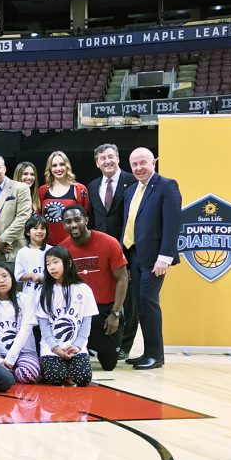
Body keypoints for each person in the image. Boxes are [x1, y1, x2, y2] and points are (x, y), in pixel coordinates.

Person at [121, 147, 181, 370]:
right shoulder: (131, 191)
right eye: (134, 164)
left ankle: (156, 355)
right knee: (139, 305)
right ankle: (147, 352)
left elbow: (173, 224)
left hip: (155, 258)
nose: (138, 168)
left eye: (142, 163)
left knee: (148, 303)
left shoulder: (167, 185)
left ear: (153, 162)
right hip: (134, 255)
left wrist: (164, 258)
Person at [59, 204, 128, 372]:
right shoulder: (62, 249)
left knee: (109, 365)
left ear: (86, 220)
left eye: (77, 219)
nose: (73, 225)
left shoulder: (109, 243)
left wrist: (115, 313)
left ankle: (98, 346)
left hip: (105, 310)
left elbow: (122, 279)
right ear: (63, 226)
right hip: (78, 312)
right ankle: (86, 346)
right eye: (68, 222)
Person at [87, 143, 137, 358]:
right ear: (97, 163)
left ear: (118, 157)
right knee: (103, 297)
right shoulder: (92, 186)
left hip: (128, 249)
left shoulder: (133, 182)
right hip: (101, 253)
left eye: (110, 157)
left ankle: (124, 346)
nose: (107, 161)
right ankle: (101, 343)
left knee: (129, 299)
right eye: (102, 158)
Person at [35, 246, 98, 386]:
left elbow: (86, 323)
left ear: (68, 263)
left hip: (75, 347)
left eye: (55, 262)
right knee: (56, 377)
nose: (51, 267)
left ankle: (70, 366)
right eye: (48, 264)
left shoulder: (84, 289)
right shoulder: (44, 291)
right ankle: (50, 366)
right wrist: (55, 348)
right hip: (51, 348)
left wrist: (78, 346)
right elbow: (43, 325)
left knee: (83, 378)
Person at [0, 263, 40, 383]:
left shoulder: (25, 299)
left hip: (23, 352)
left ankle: (6, 373)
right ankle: (3, 373)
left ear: (12, 278)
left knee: (29, 374)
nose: (1, 280)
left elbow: (25, 331)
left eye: (5, 276)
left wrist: (10, 359)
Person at [38, 151, 90, 245]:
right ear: (49, 168)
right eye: (54, 165)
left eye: (62, 164)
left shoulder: (79, 189)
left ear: (67, 166)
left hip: (73, 244)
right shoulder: (42, 190)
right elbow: (38, 218)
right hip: (47, 245)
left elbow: (85, 218)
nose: (58, 168)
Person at [14, 215, 51, 294]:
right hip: (30, 292)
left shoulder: (51, 250)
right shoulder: (22, 252)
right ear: (28, 232)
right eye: (35, 228)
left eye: (42, 228)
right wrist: (31, 276)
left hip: (49, 290)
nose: (39, 231)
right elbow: (18, 276)